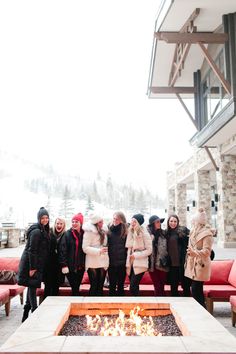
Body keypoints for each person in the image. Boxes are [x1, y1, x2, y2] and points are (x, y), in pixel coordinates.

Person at [18, 207, 51, 322]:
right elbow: (32, 250)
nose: (45, 220)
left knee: (31, 287)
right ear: (39, 218)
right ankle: (35, 314)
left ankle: (25, 315)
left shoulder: (43, 230)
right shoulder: (37, 231)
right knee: (32, 288)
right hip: (31, 264)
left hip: (36, 264)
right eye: (43, 218)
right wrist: (32, 268)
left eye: (47, 218)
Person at [185, 207, 213, 307]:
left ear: (198, 221)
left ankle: (203, 312)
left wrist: (194, 252)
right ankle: (200, 312)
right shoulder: (193, 231)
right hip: (193, 264)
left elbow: (207, 252)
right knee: (196, 290)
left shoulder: (207, 234)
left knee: (196, 290)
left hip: (201, 265)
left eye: (194, 220)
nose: (193, 222)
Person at [126, 214, 152, 296]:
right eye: (132, 221)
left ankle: (136, 305)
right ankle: (136, 305)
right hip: (131, 262)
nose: (132, 223)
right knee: (134, 286)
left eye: (135, 221)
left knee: (133, 286)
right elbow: (129, 247)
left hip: (140, 262)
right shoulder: (130, 232)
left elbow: (149, 250)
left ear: (139, 223)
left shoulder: (144, 233)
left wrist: (136, 255)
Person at [82, 214, 109, 296]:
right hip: (92, 261)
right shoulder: (89, 232)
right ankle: (90, 307)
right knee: (94, 286)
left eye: (102, 221)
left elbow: (104, 244)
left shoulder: (103, 230)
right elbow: (85, 248)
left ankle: (99, 307)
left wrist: (104, 249)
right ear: (96, 223)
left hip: (102, 260)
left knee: (100, 286)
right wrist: (99, 250)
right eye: (100, 222)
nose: (102, 223)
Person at [59, 213, 85, 296]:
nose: (74, 223)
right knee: (74, 287)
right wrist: (64, 265)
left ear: (81, 223)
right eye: (73, 222)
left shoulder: (84, 234)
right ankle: (75, 304)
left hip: (80, 266)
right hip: (69, 267)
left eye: (76, 221)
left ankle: (76, 303)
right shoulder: (67, 234)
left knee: (76, 287)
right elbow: (62, 250)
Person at [166, 214, 191, 296]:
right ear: (168, 222)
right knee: (173, 287)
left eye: (175, 221)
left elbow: (193, 237)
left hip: (183, 263)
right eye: (171, 221)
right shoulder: (166, 233)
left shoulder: (183, 230)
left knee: (186, 286)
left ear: (178, 222)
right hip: (172, 264)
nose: (173, 223)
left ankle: (188, 305)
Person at [43, 217, 67, 298]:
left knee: (56, 288)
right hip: (48, 266)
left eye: (61, 224)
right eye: (57, 223)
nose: (59, 225)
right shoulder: (49, 233)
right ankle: (45, 307)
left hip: (59, 266)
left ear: (64, 225)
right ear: (55, 224)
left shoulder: (65, 235)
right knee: (47, 288)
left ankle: (54, 308)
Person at [147, 215, 169, 296]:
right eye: (157, 222)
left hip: (162, 263)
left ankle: (163, 304)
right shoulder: (147, 234)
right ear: (152, 223)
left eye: (160, 222)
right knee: (157, 285)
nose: (159, 223)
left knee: (161, 286)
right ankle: (158, 303)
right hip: (151, 264)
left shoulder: (164, 233)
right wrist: (150, 238)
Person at [107, 211, 128, 296]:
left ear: (122, 220)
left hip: (122, 263)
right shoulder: (108, 229)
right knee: (111, 285)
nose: (115, 220)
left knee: (120, 286)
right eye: (114, 218)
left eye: (117, 219)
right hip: (111, 262)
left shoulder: (126, 231)